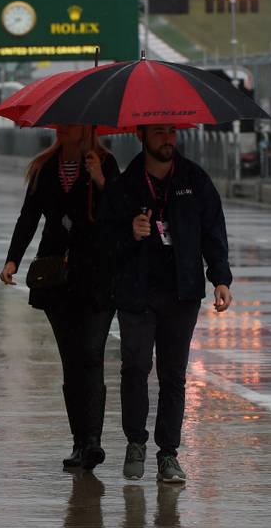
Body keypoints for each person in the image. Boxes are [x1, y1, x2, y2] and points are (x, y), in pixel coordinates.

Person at [100, 124, 232, 484]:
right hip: (136, 292)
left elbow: (213, 230)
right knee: (136, 367)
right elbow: (104, 240)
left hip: (182, 292)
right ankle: (135, 443)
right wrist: (130, 232)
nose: (167, 139)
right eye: (159, 132)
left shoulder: (194, 180)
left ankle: (168, 454)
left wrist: (220, 277)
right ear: (142, 135)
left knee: (173, 375)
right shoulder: (125, 185)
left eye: (171, 131)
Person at [0, 125, 120, 472]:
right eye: (63, 123)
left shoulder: (106, 163)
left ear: (88, 126)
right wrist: (12, 260)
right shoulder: (44, 167)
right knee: (72, 358)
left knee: (91, 353)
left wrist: (100, 180)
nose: (69, 128)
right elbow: (28, 217)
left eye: (77, 122)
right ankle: (80, 441)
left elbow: (119, 212)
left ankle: (93, 441)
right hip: (56, 278)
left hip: (98, 276)